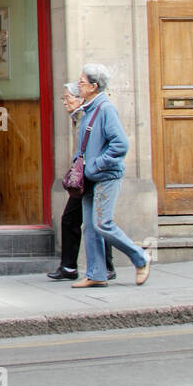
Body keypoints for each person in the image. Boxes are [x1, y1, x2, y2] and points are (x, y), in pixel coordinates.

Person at [71, 64, 150, 288]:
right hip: (89, 176)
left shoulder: (105, 109)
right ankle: (96, 274)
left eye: (82, 81)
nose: (79, 84)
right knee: (90, 225)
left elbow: (120, 144)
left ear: (94, 86)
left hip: (105, 175)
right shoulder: (88, 109)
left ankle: (141, 258)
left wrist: (97, 164)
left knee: (102, 223)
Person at [47, 82, 116, 280]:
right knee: (76, 219)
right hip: (84, 176)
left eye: (68, 97)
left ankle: (107, 266)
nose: (65, 102)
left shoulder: (92, 115)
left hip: (94, 175)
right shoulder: (78, 117)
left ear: (80, 99)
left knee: (98, 221)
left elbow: (114, 143)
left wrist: (95, 166)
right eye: (64, 98)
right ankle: (70, 267)